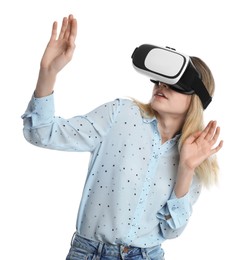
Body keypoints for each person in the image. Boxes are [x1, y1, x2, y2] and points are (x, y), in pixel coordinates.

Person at [22, 14, 223, 260]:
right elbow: (40, 132)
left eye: (174, 83)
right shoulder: (120, 114)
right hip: (89, 253)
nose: (161, 85)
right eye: (158, 79)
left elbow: (171, 231)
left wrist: (186, 167)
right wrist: (48, 72)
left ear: (196, 97)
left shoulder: (197, 154)